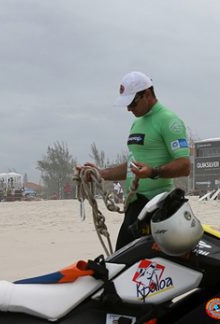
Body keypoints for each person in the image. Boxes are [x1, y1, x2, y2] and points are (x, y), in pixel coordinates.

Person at [78, 71, 190, 250]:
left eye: (131, 103)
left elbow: (184, 166)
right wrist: (100, 173)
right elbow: (132, 165)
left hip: (157, 209)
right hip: (134, 207)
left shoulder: (169, 121)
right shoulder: (137, 123)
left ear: (146, 94)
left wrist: (153, 172)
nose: (128, 109)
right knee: (121, 264)